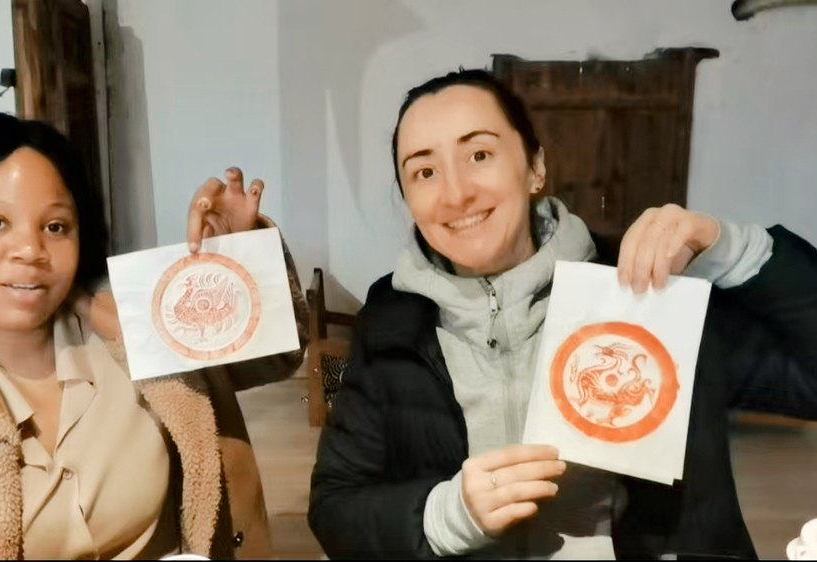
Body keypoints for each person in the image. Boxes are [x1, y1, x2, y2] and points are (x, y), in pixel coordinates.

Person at [306, 68, 817, 559]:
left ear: (535, 167)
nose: (456, 193)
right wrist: (448, 516)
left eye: (479, 154)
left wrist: (730, 249)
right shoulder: (392, 319)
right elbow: (336, 506)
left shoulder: (643, 289)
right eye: (424, 172)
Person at [0, 112, 307, 559]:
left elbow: (274, 357)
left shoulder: (139, 322)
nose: (31, 250)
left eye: (55, 226)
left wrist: (238, 260)